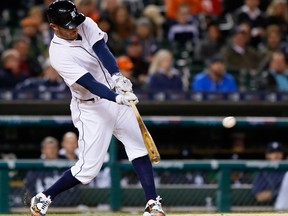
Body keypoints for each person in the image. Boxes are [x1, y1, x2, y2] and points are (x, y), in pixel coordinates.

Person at [29, 1, 165, 216]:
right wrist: (116, 97)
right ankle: (45, 196)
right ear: (54, 26)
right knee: (88, 170)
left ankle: (152, 203)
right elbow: (89, 83)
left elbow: (102, 49)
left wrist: (117, 76)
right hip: (91, 108)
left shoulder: (85, 23)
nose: (74, 28)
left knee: (139, 148)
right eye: (68, 26)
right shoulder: (57, 54)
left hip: (115, 95)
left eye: (75, 23)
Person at [24, 136, 80, 207]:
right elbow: (28, 186)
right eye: (49, 148)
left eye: (54, 148)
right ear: (43, 150)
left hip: (68, 204)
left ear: (58, 149)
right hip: (43, 204)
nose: (52, 150)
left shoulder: (65, 162)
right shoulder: (37, 166)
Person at [251, 141, 286, 208]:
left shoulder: (286, 170)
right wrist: (280, 192)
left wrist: (270, 193)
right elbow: (260, 197)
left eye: (278, 152)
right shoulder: (263, 172)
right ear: (267, 155)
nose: (276, 155)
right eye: (272, 152)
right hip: (268, 208)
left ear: (282, 154)